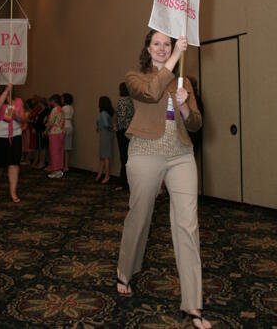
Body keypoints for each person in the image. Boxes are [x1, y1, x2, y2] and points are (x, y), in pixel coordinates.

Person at [117, 30, 211, 329]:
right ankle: (125, 271)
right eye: (156, 44)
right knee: (140, 216)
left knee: (188, 224)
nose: (161, 48)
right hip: (145, 151)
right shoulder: (136, 76)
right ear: (148, 47)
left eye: (166, 44)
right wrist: (172, 60)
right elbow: (151, 93)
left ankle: (193, 305)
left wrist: (185, 104)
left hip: (181, 155)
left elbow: (196, 123)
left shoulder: (182, 81)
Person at [0, 83, 25, 203]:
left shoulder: (19, 101)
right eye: (7, 86)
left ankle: (13, 191)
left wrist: (16, 116)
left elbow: (23, 120)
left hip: (15, 135)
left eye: (11, 86)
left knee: (14, 163)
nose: (11, 87)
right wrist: (6, 91)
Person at [115, 82, 134, 191]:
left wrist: (116, 126)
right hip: (131, 131)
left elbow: (121, 118)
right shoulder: (131, 100)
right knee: (129, 156)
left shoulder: (122, 101)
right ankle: (129, 182)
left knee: (124, 158)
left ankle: (124, 183)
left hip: (123, 131)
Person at [96, 96, 114, 184]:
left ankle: (107, 175)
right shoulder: (106, 113)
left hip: (105, 135)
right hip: (105, 135)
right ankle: (100, 174)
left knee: (105, 156)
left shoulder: (103, 113)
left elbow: (107, 125)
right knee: (103, 156)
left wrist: (112, 127)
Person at [46, 94, 65, 179]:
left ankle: (55, 170)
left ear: (53, 101)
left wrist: (46, 130)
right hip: (61, 131)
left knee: (54, 152)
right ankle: (59, 170)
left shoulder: (54, 110)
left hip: (54, 132)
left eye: (51, 101)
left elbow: (51, 122)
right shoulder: (61, 109)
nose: (50, 102)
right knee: (60, 151)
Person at [61, 93, 74, 172]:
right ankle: (66, 166)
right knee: (67, 148)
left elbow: (60, 118)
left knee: (62, 147)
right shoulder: (71, 108)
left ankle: (61, 165)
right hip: (70, 126)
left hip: (64, 127)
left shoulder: (63, 108)